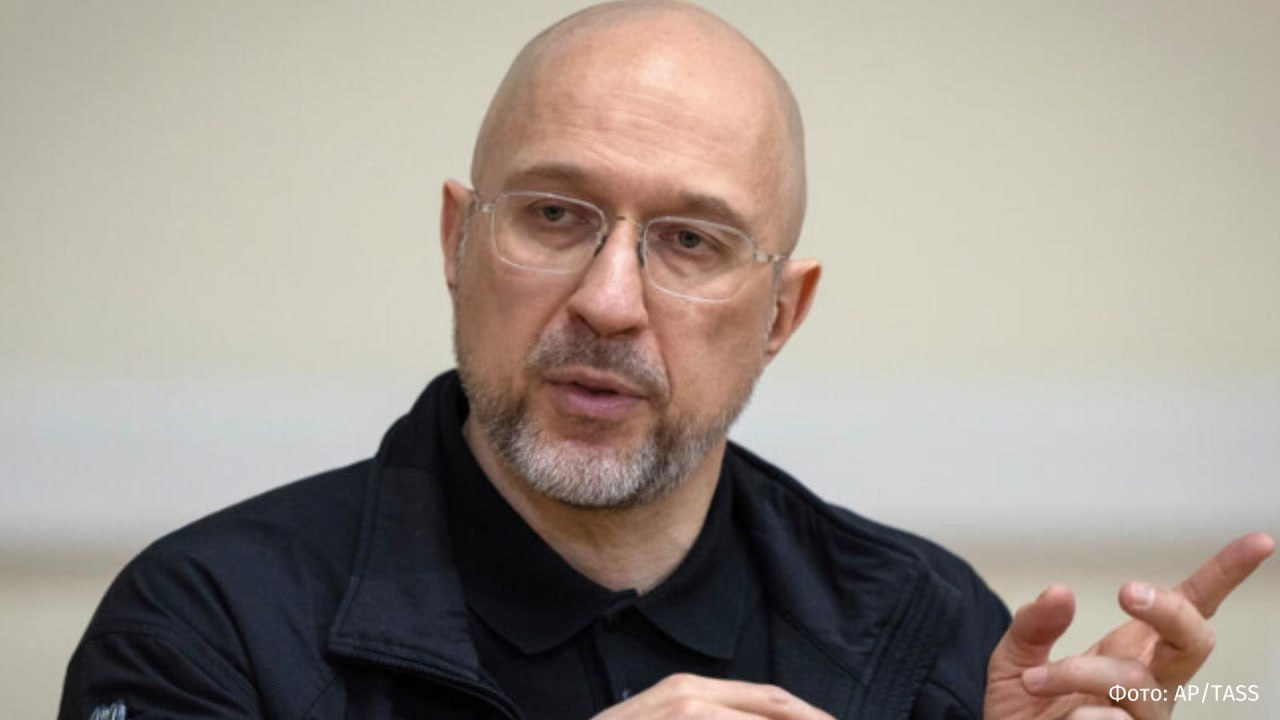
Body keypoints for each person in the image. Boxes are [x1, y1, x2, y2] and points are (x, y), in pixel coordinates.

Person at [59, 2, 1273, 719]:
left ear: (781, 314)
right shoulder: (206, 624)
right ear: (455, 242)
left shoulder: (926, 629)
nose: (607, 301)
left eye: (689, 241)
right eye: (553, 215)